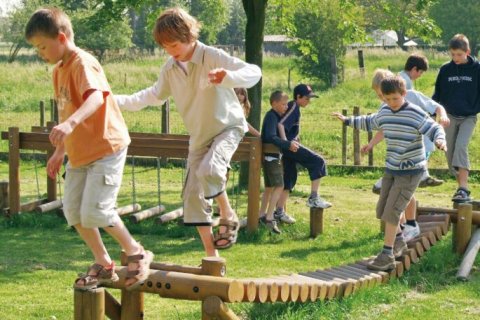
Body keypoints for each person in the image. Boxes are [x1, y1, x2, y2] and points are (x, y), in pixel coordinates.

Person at [115, 7, 261, 256]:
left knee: (211, 170)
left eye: (174, 45)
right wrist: (115, 100)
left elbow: (254, 72)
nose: (171, 52)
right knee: (193, 198)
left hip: (227, 127)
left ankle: (227, 213)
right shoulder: (170, 69)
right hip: (200, 136)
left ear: (189, 35)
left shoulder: (211, 56)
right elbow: (153, 95)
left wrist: (229, 76)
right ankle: (211, 256)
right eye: (166, 48)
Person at [25, 7, 153, 290]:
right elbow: (65, 109)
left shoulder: (83, 63)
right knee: (73, 211)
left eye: (43, 46)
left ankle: (137, 251)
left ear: (61, 37)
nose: (41, 53)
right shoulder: (58, 71)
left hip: (106, 147)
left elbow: (96, 98)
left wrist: (69, 125)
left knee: (97, 211)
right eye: (37, 48)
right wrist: (60, 150)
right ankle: (104, 263)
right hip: (80, 153)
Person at [333, 75, 447, 270]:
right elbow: (370, 121)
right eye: (387, 99)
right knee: (383, 209)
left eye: (395, 98)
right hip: (392, 168)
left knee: (393, 210)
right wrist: (347, 120)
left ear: (403, 94)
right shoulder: (385, 110)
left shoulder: (414, 113)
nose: (392, 103)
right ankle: (400, 240)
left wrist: (440, 140)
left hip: (411, 170)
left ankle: (387, 255)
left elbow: (434, 127)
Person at [367, 69, 450, 241]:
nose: (383, 100)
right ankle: (403, 224)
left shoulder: (411, 95)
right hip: (400, 154)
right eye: (381, 96)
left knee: (404, 187)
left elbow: (436, 106)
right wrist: (371, 144)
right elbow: (383, 127)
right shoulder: (388, 104)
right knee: (402, 189)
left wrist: (442, 115)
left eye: (383, 95)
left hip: (420, 145)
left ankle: (410, 223)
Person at [432, 34, 480, 202]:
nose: (455, 58)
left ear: (467, 52)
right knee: (450, 153)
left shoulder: (477, 69)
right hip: (449, 117)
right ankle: (461, 190)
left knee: (461, 146)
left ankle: (463, 187)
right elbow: (437, 94)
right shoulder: (446, 70)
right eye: (452, 54)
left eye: (459, 54)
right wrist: (432, 115)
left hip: (468, 116)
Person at [274, 84, 330, 224]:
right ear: (298, 97)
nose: (308, 101)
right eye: (306, 98)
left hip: (288, 147)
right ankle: (313, 198)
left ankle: (279, 212)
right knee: (318, 161)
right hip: (289, 147)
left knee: (289, 178)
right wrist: (287, 143)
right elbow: (281, 125)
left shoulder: (295, 107)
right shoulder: (293, 106)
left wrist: (294, 138)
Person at [258, 90, 297, 234]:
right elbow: (270, 136)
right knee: (279, 186)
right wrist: (287, 145)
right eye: (283, 104)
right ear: (274, 103)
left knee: (269, 187)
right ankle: (269, 218)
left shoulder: (273, 116)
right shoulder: (272, 117)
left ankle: (261, 215)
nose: (286, 107)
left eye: (287, 104)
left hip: (270, 156)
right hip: (272, 157)